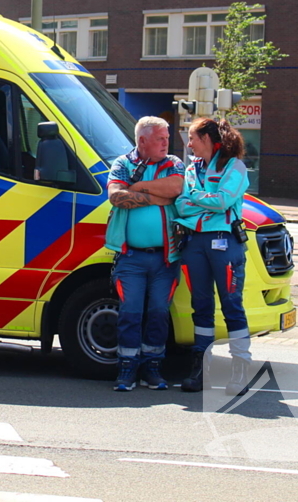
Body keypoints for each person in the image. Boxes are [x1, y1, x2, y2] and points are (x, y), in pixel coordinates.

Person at [104, 116, 185, 391]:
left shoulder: (173, 163)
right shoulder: (123, 163)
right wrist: (157, 197)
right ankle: (126, 369)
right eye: (160, 138)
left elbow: (176, 188)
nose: (166, 142)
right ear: (142, 141)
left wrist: (136, 188)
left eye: (167, 137)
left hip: (166, 258)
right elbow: (116, 196)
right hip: (131, 258)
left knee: (159, 312)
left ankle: (153, 368)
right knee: (130, 312)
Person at [175, 117, 252, 396]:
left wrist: (196, 198)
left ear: (207, 139)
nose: (189, 143)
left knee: (232, 305)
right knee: (201, 305)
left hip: (225, 242)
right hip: (194, 243)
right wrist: (202, 201)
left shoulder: (235, 167)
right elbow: (181, 206)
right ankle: (200, 368)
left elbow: (223, 201)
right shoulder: (192, 168)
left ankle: (241, 369)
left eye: (193, 137)